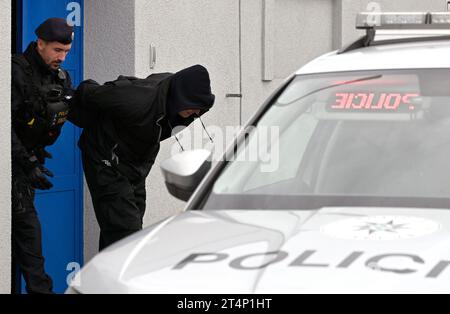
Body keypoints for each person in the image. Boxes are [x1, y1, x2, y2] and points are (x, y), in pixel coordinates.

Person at [73, 65, 215, 250]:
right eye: (193, 108)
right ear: (180, 97)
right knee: (127, 233)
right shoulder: (135, 100)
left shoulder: (179, 107)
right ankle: (119, 276)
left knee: (125, 226)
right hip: (104, 159)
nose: (196, 114)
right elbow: (89, 92)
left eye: (200, 110)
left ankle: (103, 273)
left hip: (135, 166)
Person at [11, 17, 75, 294]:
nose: (61, 57)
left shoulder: (60, 77)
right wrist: (28, 163)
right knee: (29, 234)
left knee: (26, 236)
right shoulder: (14, 71)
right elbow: (4, 126)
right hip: (11, 164)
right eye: (56, 50)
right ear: (40, 44)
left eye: (66, 52)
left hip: (28, 164)